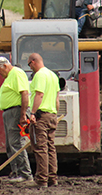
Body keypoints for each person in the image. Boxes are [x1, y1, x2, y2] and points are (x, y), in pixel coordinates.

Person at [0, 56, 33, 184]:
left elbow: (24, 93)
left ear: (5, 66)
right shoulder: (9, 76)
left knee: (16, 143)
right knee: (10, 145)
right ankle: (16, 172)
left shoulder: (16, 73)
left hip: (16, 111)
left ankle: (25, 174)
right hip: (10, 112)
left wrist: (23, 114)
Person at [26, 53, 60, 188]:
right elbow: (57, 99)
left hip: (42, 117)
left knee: (41, 148)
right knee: (51, 148)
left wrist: (32, 113)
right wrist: (55, 115)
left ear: (33, 62)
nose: (30, 68)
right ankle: (52, 178)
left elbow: (39, 94)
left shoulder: (40, 75)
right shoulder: (53, 75)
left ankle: (41, 180)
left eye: (29, 65)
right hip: (52, 115)